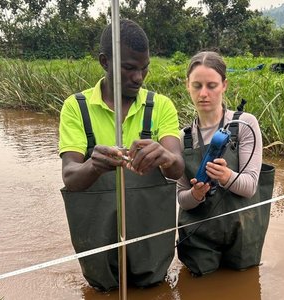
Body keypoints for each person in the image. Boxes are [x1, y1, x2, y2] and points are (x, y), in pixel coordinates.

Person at [58, 20, 184, 291]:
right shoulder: (76, 108)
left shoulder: (160, 106)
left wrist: (164, 156)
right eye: (129, 68)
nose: (139, 77)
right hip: (98, 245)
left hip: (151, 247)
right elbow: (70, 177)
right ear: (105, 61)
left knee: (154, 290)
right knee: (101, 291)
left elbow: (177, 168)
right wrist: (94, 166)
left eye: (144, 67)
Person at [176, 51, 271, 277]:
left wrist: (226, 176)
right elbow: (181, 198)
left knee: (242, 283)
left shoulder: (245, 125)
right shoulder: (182, 137)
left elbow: (250, 187)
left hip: (243, 232)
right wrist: (196, 194)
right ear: (187, 86)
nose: (204, 94)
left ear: (224, 85)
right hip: (198, 237)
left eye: (212, 85)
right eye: (197, 86)